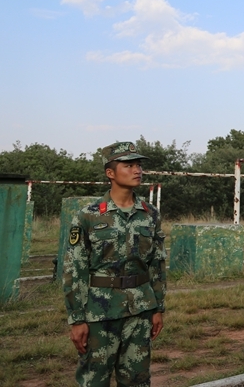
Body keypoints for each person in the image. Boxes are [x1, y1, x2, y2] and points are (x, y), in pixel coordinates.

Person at [62, 141, 167, 387]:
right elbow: (73, 269)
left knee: (137, 380)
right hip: (99, 313)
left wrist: (158, 307)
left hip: (140, 310)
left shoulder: (150, 214)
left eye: (139, 165)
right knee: (94, 380)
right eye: (128, 165)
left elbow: (157, 264)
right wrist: (77, 319)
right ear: (110, 173)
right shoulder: (88, 215)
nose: (137, 170)